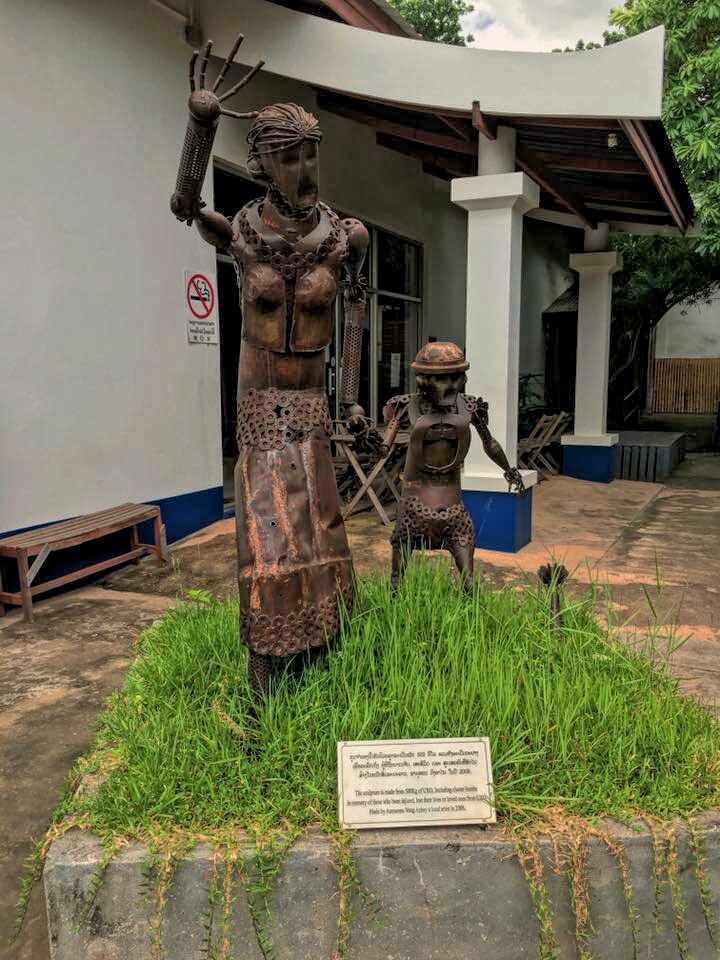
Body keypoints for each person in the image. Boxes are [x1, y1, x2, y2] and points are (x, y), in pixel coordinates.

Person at [171, 43, 369, 696]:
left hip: (311, 405)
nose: (305, 168)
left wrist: (356, 402)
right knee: (265, 533)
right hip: (258, 405)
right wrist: (200, 129)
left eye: (311, 153)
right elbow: (183, 204)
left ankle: (330, 648)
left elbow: (355, 319)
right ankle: (264, 677)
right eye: (289, 156)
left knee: (321, 529)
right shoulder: (240, 233)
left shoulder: (344, 237)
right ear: (262, 163)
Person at [383, 341, 525, 589]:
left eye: (455, 378)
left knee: (469, 582)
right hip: (413, 506)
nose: (450, 387)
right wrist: (368, 440)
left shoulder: (469, 406)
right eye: (441, 379)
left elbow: (489, 442)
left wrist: (508, 469)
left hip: (452, 508)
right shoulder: (404, 406)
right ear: (423, 380)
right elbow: (384, 447)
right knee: (396, 582)